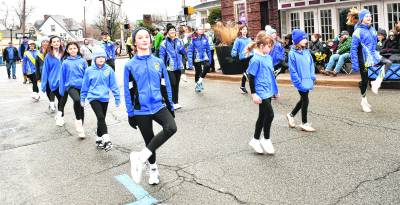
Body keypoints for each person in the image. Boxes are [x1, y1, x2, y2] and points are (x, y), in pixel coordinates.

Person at [124, 27, 177, 185]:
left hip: (158, 105)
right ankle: (153, 171)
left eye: (146, 37)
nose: (144, 40)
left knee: (171, 128)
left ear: (150, 39)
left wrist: (170, 106)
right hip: (141, 109)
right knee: (149, 140)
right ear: (135, 42)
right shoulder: (130, 65)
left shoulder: (158, 62)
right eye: (140, 38)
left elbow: (165, 85)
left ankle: (140, 157)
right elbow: (128, 90)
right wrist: (130, 113)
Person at [351, 9, 392, 113]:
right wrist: (355, 64)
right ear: (361, 19)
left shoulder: (373, 29)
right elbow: (353, 49)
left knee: (388, 62)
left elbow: (374, 45)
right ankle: (363, 101)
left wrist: (377, 54)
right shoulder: (357, 32)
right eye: (366, 16)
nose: (369, 17)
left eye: (370, 15)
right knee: (364, 81)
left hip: (373, 55)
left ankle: (376, 82)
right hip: (363, 58)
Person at [80, 47, 120, 151]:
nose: (101, 59)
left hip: (105, 98)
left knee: (100, 119)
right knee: (101, 117)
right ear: (94, 58)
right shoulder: (89, 70)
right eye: (99, 57)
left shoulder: (109, 69)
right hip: (93, 97)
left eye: (103, 57)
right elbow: (85, 86)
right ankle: (107, 140)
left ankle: (98, 139)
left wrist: (117, 98)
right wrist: (82, 98)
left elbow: (114, 85)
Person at [246, 31, 277, 154]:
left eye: (271, 46)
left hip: (268, 90)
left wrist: (275, 90)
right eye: (268, 46)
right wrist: (254, 94)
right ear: (260, 46)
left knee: (263, 116)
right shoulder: (255, 59)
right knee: (270, 115)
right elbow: (251, 76)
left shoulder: (268, 57)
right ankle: (266, 139)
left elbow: (271, 76)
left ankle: (255, 140)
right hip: (260, 92)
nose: (270, 48)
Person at [286, 29, 316, 132]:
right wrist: (298, 83)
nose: (306, 40)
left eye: (305, 38)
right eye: (303, 38)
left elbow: (311, 65)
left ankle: (291, 115)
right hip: (300, 82)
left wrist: (312, 77)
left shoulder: (306, 51)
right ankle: (304, 123)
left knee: (303, 99)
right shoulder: (292, 54)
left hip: (308, 80)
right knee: (305, 100)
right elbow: (293, 71)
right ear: (297, 40)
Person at [59, 42, 88, 138]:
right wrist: (62, 89)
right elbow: (62, 77)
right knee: (77, 100)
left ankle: (81, 127)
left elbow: (87, 75)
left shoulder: (83, 61)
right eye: (70, 49)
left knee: (81, 106)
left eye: (74, 48)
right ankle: (77, 120)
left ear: (77, 49)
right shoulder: (65, 62)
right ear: (67, 51)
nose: (73, 50)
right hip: (70, 86)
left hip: (82, 87)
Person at [41, 36, 68, 126]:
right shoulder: (48, 56)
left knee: (63, 99)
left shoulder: (65, 54)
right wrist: (44, 85)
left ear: (60, 42)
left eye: (58, 41)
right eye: (54, 42)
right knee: (61, 99)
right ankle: (61, 116)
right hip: (54, 82)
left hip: (65, 81)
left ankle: (60, 117)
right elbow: (45, 70)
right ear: (51, 44)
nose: (56, 43)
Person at [159, 24, 187, 110]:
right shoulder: (164, 43)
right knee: (172, 84)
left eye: (173, 30)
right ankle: (169, 102)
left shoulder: (179, 41)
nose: (172, 31)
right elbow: (161, 56)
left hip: (178, 67)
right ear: (167, 32)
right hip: (169, 67)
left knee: (176, 85)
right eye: (170, 30)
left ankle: (176, 102)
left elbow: (183, 51)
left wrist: (186, 56)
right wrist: (162, 68)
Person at [188, 25, 212, 92]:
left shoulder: (205, 38)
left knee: (207, 66)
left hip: (204, 56)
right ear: (196, 30)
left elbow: (208, 49)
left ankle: (199, 81)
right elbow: (190, 51)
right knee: (198, 72)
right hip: (196, 58)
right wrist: (190, 63)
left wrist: (210, 59)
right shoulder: (193, 39)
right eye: (199, 29)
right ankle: (197, 84)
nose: (201, 30)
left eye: (202, 29)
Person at [231, 25, 252, 93]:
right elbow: (234, 49)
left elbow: (252, 47)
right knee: (247, 73)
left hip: (251, 56)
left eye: (246, 29)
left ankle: (242, 86)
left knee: (247, 72)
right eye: (243, 29)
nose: (245, 31)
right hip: (243, 58)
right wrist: (234, 54)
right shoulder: (238, 39)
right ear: (240, 31)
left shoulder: (249, 39)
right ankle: (254, 88)